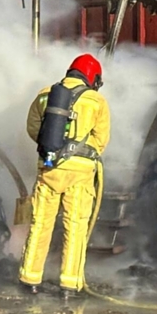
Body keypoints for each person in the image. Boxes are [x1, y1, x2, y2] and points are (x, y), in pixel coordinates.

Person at [19, 54, 110, 298]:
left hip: (49, 169)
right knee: (75, 226)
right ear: (92, 77)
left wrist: (52, 148)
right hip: (79, 174)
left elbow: (32, 128)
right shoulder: (96, 101)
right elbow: (101, 140)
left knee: (40, 224)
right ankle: (69, 285)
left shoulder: (45, 94)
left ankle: (30, 279)